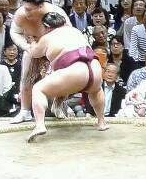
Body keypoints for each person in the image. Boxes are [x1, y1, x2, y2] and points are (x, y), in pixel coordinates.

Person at [25, 12, 108, 142]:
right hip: (95, 68)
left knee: (38, 89)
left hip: (75, 71)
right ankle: (101, 122)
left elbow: (34, 53)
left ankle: (40, 125)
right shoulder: (75, 31)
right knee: (95, 90)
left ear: (47, 27)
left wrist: (31, 42)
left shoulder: (48, 37)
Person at [9, 0, 71, 124]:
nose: (25, 12)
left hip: (55, 49)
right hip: (32, 46)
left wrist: (55, 51)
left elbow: (68, 33)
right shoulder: (21, 14)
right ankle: (25, 111)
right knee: (26, 78)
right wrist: (25, 46)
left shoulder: (56, 12)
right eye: (25, 8)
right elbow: (14, 32)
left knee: (61, 78)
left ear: (41, 6)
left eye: (29, 9)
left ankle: (58, 105)